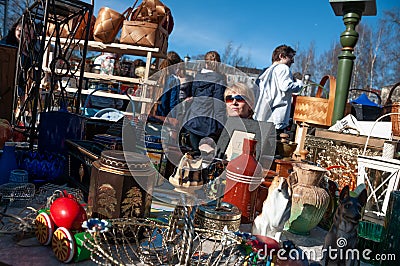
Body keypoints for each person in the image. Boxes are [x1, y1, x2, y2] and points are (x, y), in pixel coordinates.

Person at [253, 45, 303, 136]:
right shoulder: (283, 68)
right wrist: (299, 84)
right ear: (281, 56)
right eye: (290, 57)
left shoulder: (266, 72)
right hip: (275, 119)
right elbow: (285, 86)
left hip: (262, 118)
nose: (293, 61)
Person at [183, 51, 227, 152]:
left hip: (192, 119)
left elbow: (194, 94)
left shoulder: (198, 77)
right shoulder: (219, 80)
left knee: (193, 154)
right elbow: (218, 105)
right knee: (205, 157)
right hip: (208, 124)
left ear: (206, 63)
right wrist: (222, 126)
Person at [156, 51, 183, 118]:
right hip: (163, 116)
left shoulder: (155, 76)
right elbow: (173, 103)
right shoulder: (174, 80)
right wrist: (174, 118)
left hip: (148, 113)